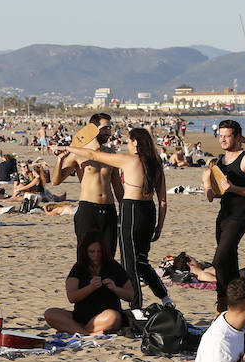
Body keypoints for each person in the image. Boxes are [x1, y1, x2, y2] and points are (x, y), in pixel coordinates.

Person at [55, 127, 170, 310]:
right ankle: (165, 298)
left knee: (129, 263)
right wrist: (159, 226)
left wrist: (70, 148)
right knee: (142, 260)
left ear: (136, 143)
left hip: (131, 210)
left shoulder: (129, 160)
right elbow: (163, 201)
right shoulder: (156, 163)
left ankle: (135, 308)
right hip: (149, 212)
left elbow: (93, 154)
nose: (127, 144)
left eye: (129, 141)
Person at [202, 120, 245, 312]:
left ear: (237, 137)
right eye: (221, 136)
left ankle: (222, 299)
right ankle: (236, 303)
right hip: (224, 214)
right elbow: (218, 192)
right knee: (229, 261)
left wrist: (233, 187)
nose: (223, 139)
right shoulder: (221, 161)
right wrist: (209, 189)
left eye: (227, 136)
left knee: (219, 260)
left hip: (240, 215)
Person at [52, 113, 121, 260]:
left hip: (109, 209)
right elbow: (55, 181)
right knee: (85, 257)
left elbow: (117, 186)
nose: (109, 132)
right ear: (92, 129)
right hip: (88, 209)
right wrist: (59, 161)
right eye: (105, 128)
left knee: (108, 256)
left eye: (110, 128)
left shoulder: (110, 153)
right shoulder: (78, 154)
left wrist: (125, 207)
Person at [43, 235, 133, 335]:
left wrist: (115, 289)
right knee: (50, 313)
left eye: (99, 252)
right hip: (80, 316)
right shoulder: (79, 267)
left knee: (114, 317)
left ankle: (77, 330)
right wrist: (90, 288)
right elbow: (71, 297)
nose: (96, 255)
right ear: (85, 252)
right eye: (92, 252)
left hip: (105, 317)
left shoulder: (113, 266)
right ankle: (87, 333)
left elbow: (130, 295)